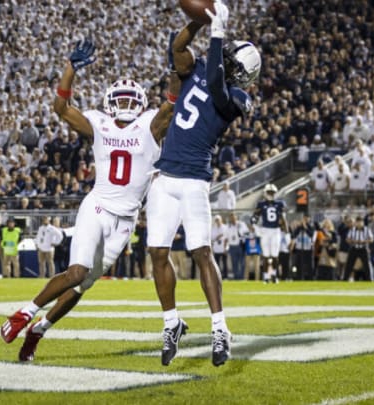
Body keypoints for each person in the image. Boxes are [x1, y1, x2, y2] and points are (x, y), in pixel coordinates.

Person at [0, 36, 176, 363]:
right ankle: (24, 313)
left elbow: (173, 99)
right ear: (111, 101)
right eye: (120, 100)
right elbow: (61, 108)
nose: (124, 105)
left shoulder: (151, 125)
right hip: (96, 207)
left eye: (129, 100)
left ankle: (39, 330)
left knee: (81, 287)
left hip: (125, 222)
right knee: (77, 272)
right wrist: (70, 69)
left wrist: (176, 68)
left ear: (139, 102)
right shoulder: (99, 122)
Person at [146, 2, 261, 366]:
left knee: (200, 252)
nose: (223, 54)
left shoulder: (239, 98)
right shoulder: (196, 68)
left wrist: (217, 33)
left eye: (229, 55)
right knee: (157, 253)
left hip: (194, 179)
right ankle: (171, 323)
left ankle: (219, 327)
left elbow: (215, 82)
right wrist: (198, 23)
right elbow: (177, 50)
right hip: (165, 177)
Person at [252, 183, 287, 284]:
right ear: (265, 193)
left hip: (275, 230)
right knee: (266, 255)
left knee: (275, 255)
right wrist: (254, 224)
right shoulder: (261, 204)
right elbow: (255, 216)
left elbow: (283, 219)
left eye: (272, 192)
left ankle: (274, 276)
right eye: (269, 192)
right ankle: (266, 276)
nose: (271, 194)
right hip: (265, 230)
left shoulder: (280, 203)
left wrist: (286, 230)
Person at [344, 216, 374, 281]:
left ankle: (370, 279)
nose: (359, 223)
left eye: (360, 222)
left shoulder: (367, 229)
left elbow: (371, 239)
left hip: (363, 248)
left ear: (363, 222)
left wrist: (364, 241)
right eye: (358, 222)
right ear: (356, 223)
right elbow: (347, 239)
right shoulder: (352, 230)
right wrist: (353, 241)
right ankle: (345, 279)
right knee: (349, 264)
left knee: (367, 265)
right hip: (354, 248)